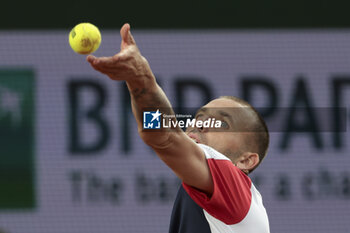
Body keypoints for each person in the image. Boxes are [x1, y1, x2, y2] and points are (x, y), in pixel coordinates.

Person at [87, 23, 270, 233]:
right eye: (199, 117)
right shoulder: (207, 199)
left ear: (246, 160)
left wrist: (140, 78)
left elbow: (164, 136)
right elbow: (161, 133)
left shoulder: (236, 192)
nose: (200, 124)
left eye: (221, 123)